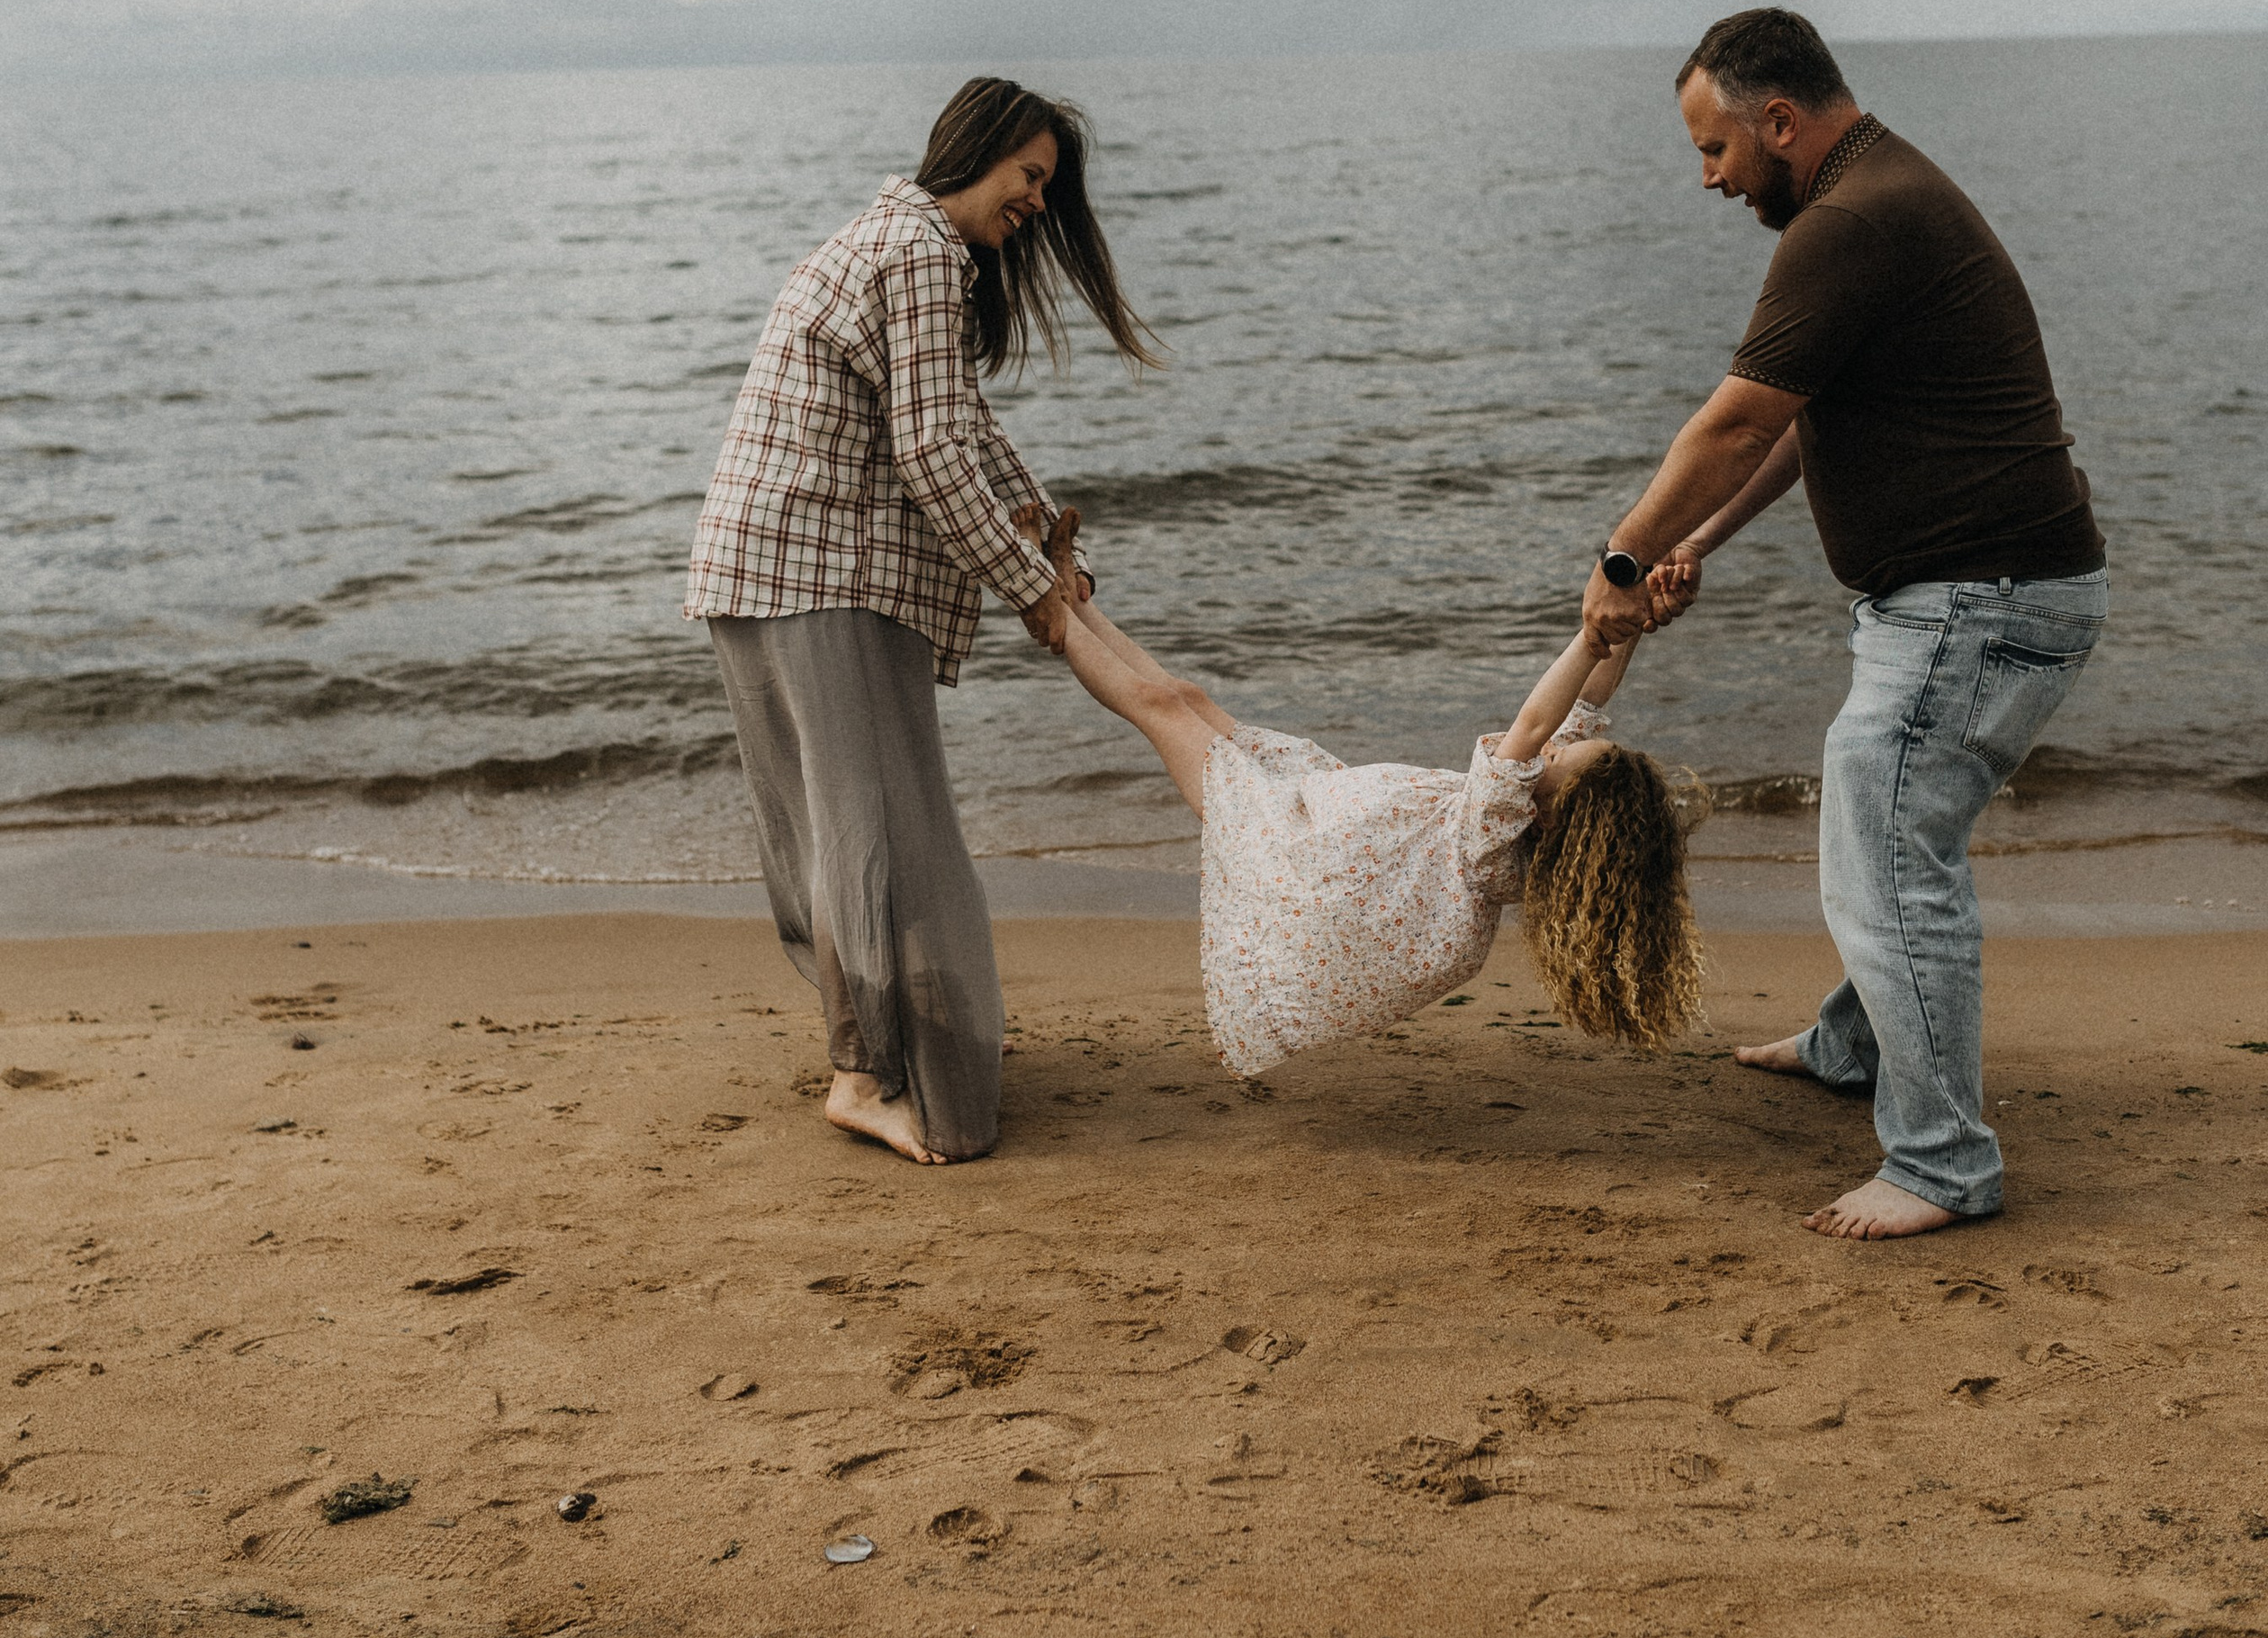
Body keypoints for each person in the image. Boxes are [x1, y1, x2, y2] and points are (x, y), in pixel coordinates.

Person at [1580, 7, 2108, 1240]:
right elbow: (1797, 423)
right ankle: (1851, 1044)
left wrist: (1624, 554)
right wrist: (1697, 544)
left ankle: (1939, 1165)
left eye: (1714, 149)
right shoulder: (1875, 199)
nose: (1709, 179)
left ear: (1778, 121)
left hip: (1982, 599)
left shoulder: (1852, 220)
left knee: (1883, 846)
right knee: (1894, 831)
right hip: (1983, 595)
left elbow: (1727, 422)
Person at [685, 80, 1156, 1167]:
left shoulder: (883, 236)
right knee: (884, 833)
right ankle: (866, 1076)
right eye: (1030, 176)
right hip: (823, 572)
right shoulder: (925, 252)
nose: (1039, 202)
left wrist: (1036, 527)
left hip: (755, 567)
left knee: (841, 829)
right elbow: (932, 453)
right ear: (978, 151)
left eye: (1049, 185)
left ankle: (871, 1054)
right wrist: (1029, 589)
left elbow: (957, 423)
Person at [1041, 514, 1706, 1073]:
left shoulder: (1493, 832)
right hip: (1308, 802)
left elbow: (1536, 722)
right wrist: (1637, 608)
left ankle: (1047, 607)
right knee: (1185, 697)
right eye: (1565, 745)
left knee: (1157, 706)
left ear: (1554, 818)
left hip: (1281, 844)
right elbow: (1590, 697)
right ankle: (1077, 600)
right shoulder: (1531, 820)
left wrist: (1593, 637)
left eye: (1559, 757)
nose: (1552, 745)